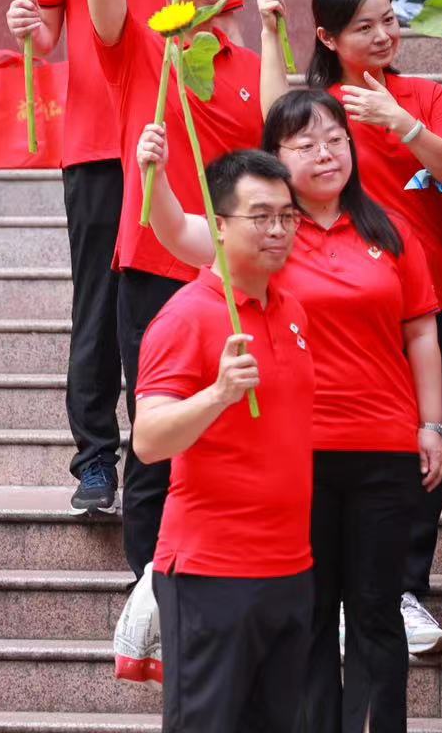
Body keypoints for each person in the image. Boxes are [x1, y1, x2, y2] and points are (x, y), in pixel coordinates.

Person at [139, 85, 442, 733]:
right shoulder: (255, 253)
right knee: (309, 622)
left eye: (336, 139)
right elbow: (178, 231)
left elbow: (422, 328)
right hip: (289, 473)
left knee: (376, 611)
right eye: (305, 144)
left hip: (382, 448)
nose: (326, 153)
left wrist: (431, 423)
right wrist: (154, 175)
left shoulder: (381, 235)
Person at [4, 0, 241, 517]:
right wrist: (27, 27)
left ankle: (167, 440)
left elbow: (227, 26)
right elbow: (49, 31)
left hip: (182, 137)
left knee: (184, 288)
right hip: (99, 140)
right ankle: (95, 458)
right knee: (101, 299)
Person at [73, 0, 263, 578]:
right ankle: (150, 591)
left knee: (240, 425)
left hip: (239, 271)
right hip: (155, 265)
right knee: (154, 437)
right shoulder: (137, 49)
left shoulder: (248, 64)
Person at [296, 0, 442, 656]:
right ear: (327, 37)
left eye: (389, 21)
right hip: (338, 300)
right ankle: (342, 593)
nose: (382, 35)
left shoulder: (425, 95)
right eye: (363, 26)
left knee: (427, 442)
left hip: (432, 292)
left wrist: (403, 123)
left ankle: (405, 590)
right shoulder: (316, 110)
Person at [132, 149, 315, 733]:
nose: (278, 230)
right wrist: (216, 395)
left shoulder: (292, 311)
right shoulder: (185, 316)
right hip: (212, 572)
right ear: (217, 224)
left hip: (291, 566)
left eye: (287, 216)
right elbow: (147, 440)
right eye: (260, 217)